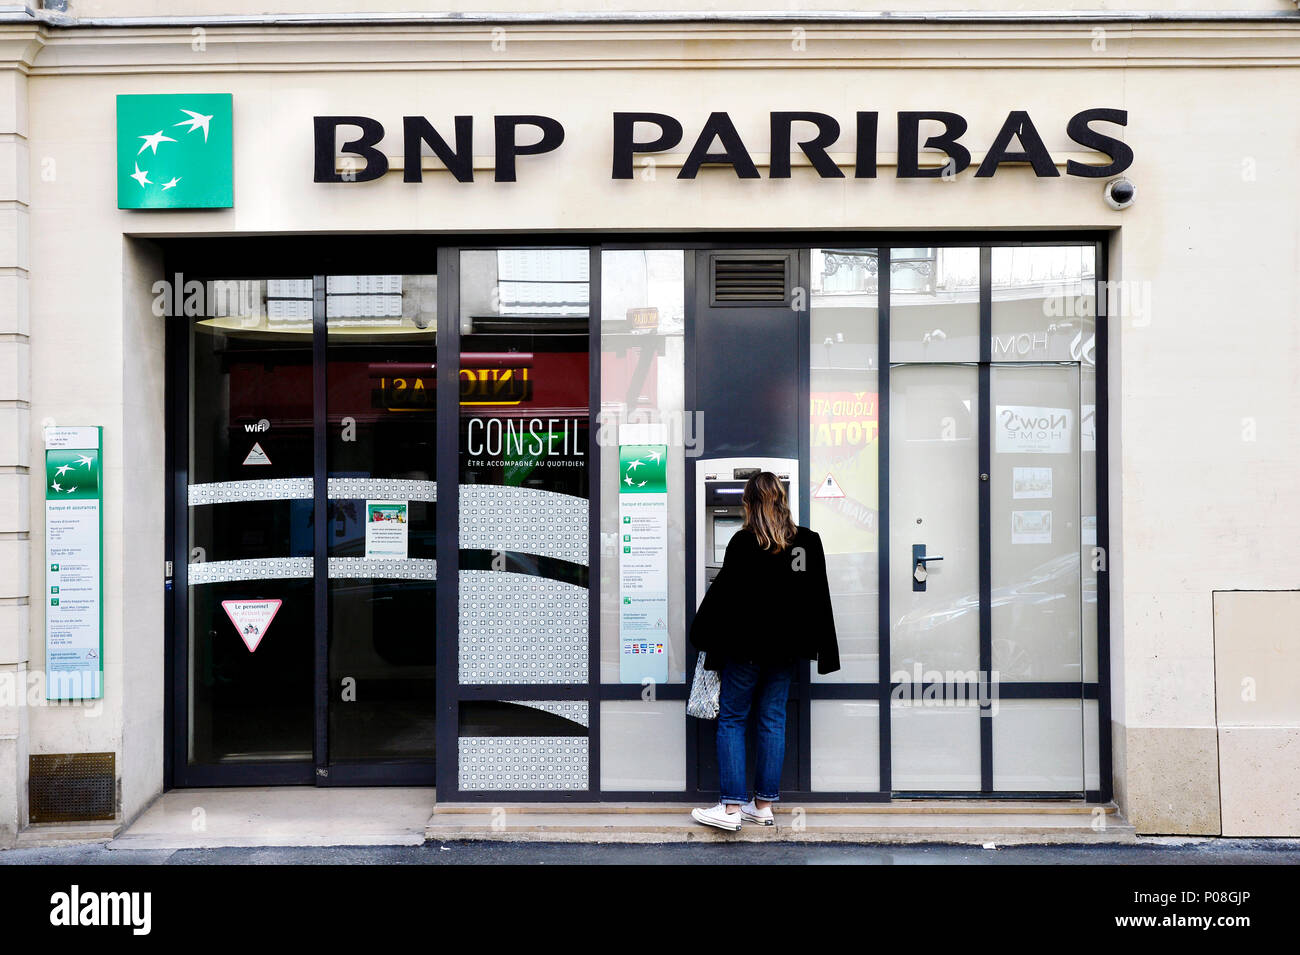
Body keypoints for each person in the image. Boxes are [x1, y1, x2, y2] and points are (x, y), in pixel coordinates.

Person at [688, 471, 839, 831]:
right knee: (773, 721)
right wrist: (821, 648)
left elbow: (723, 596)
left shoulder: (743, 542)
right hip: (785, 652)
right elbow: (817, 597)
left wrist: (701, 634)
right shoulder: (807, 542)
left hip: (745, 650)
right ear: (782, 500)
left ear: (749, 504)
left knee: (733, 719)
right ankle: (763, 807)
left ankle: (730, 810)